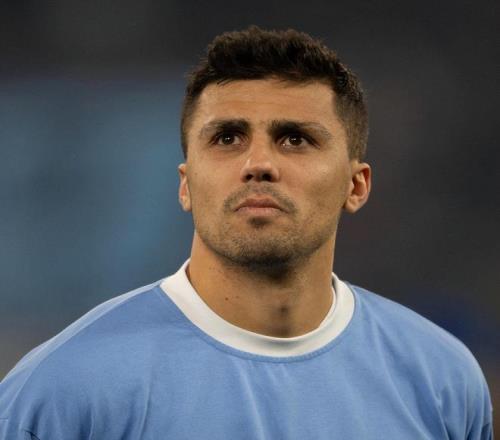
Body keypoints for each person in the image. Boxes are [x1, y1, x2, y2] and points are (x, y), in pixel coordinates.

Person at [0, 26, 493, 440]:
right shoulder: (63, 391)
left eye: (295, 139)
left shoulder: (442, 381)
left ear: (356, 185)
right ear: (186, 184)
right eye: (227, 137)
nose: (258, 163)